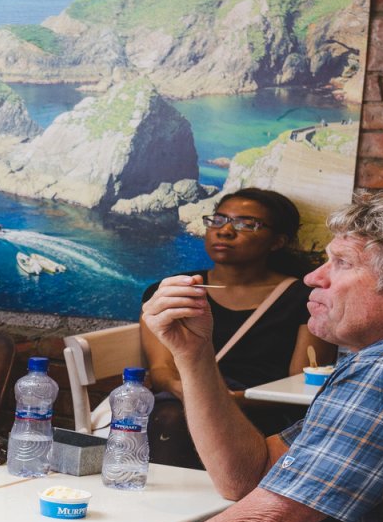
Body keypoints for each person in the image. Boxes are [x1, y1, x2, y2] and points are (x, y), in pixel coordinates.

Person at [44, 192, 383, 522]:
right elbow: (246, 478)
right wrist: (194, 355)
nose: (313, 278)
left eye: (341, 263)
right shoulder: (370, 365)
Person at [139, 188, 335, 468]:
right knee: (170, 416)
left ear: (277, 241)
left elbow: (303, 384)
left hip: (262, 410)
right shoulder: (173, 290)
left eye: (246, 224)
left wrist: (232, 400)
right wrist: (202, 396)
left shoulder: (304, 297)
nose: (225, 231)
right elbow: (161, 371)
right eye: (218, 220)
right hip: (182, 401)